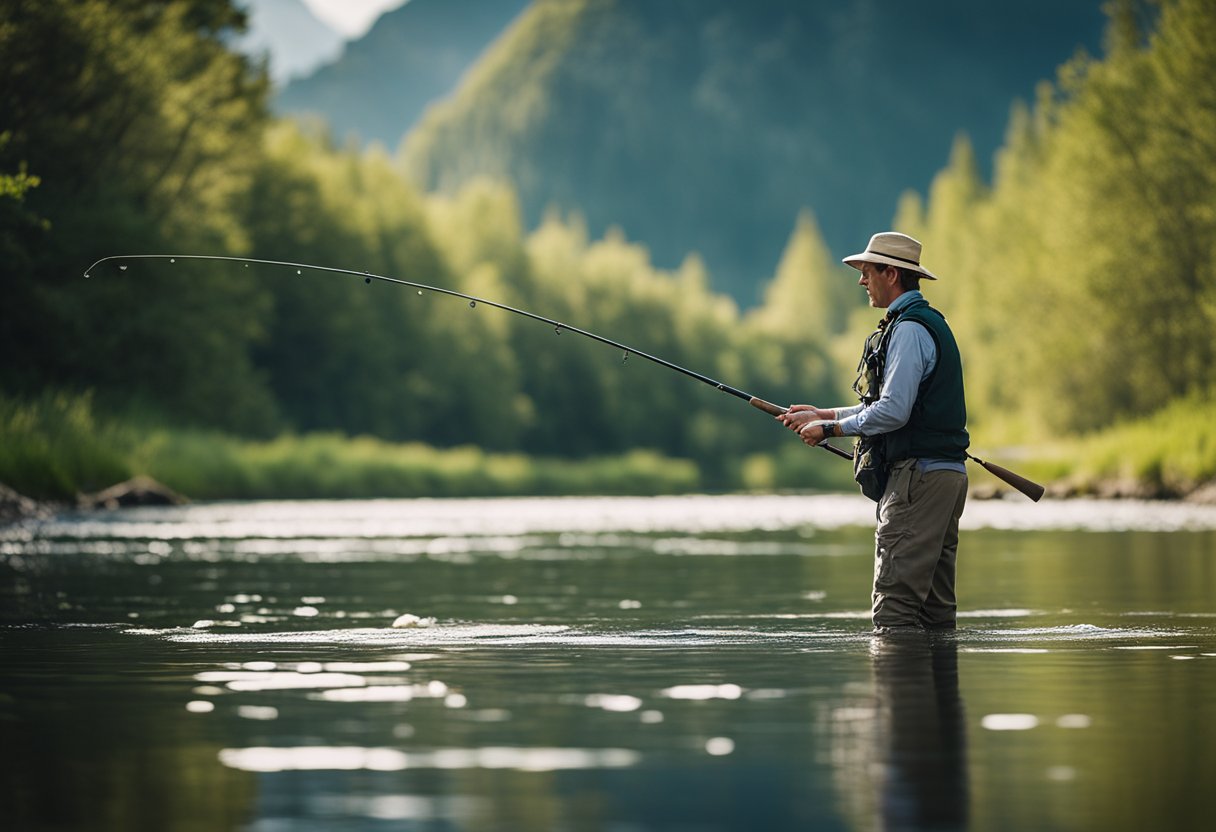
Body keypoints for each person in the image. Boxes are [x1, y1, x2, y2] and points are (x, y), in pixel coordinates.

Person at [778, 232, 969, 633]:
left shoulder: (909, 330)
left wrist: (830, 429)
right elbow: (894, 406)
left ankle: (895, 695)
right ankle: (935, 696)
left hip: (918, 480)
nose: (862, 281)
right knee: (934, 614)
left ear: (891, 273)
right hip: (942, 476)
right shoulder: (925, 323)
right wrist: (823, 412)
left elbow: (894, 412)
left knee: (895, 610)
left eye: (867, 272)